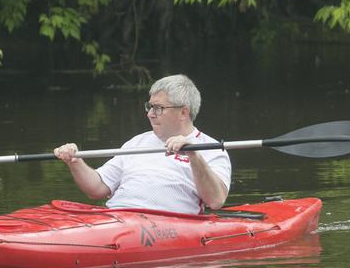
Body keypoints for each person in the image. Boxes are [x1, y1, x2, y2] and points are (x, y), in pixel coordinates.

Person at [53, 74, 231, 214]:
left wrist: (193, 155)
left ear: (184, 112)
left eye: (158, 108)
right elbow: (97, 188)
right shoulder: (137, 142)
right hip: (117, 218)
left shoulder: (211, 149)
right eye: (150, 106)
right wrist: (75, 161)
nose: (150, 114)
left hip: (167, 224)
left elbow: (215, 201)